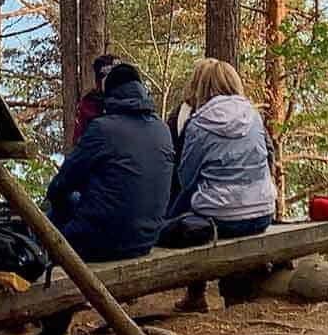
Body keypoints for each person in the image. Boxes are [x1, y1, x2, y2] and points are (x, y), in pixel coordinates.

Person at [42, 58, 171, 264]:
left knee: (45, 225)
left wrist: (58, 202)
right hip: (146, 240)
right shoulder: (162, 129)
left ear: (108, 93)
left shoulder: (102, 129)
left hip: (100, 243)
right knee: (74, 202)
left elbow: (62, 184)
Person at [159, 58, 274, 248]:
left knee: (173, 215)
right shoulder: (254, 116)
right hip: (263, 215)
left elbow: (186, 178)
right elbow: (268, 157)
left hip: (219, 221)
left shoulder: (198, 123)